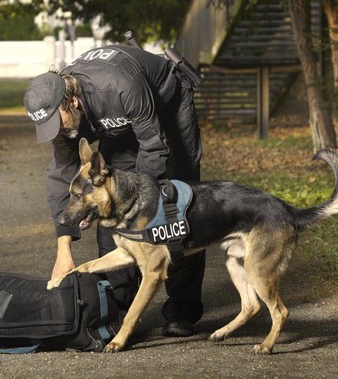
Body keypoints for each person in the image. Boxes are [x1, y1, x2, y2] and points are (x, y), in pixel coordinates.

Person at [23, 44, 206, 337]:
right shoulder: (63, 119)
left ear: (72, 102)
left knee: (177, 207)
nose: (57, 131)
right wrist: (63, 246)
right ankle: (119, 306)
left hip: (166, 111)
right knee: (109, 205)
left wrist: (135, 210)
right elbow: (60, 175)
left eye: (57, 123)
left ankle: (182, 309)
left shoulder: (119, 85)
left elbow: (155, 146)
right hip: (119, 126)